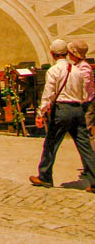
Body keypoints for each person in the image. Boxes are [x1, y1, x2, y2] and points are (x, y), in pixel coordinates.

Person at [29, 38, 95, 191]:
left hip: (62, 109)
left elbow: (48, 94)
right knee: (84, 146)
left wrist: (41, 112)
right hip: (78, 109)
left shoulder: (53, 71)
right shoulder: (77, 70)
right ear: (66, 53)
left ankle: (45, 176)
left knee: (51, 143)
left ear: (52, 54)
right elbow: (84, 93)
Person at [67, 40, 95, 148]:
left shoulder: (84, 67)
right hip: (81, 102)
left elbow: (83, 85)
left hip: (87, 103)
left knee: (87, 132)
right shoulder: (76, 65)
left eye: (70, 53)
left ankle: (92, 159)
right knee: (83, 133)